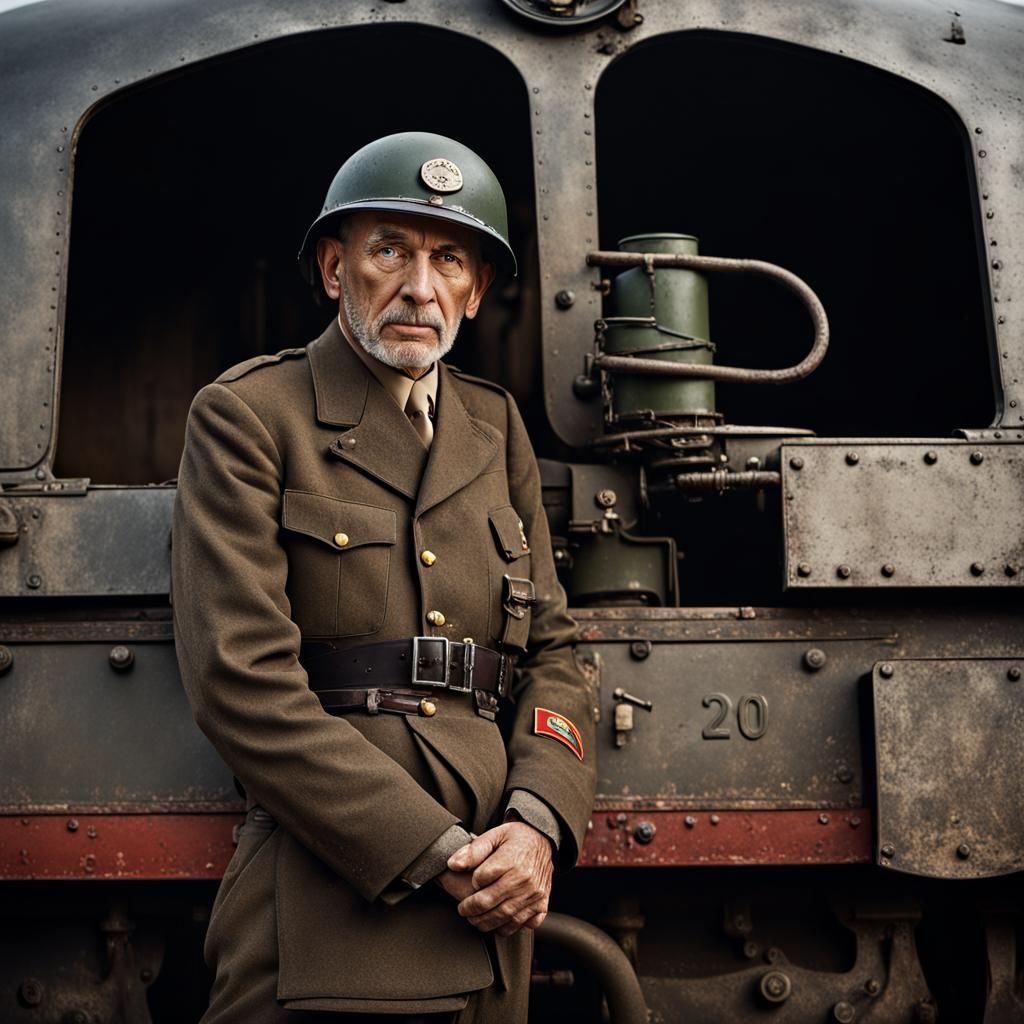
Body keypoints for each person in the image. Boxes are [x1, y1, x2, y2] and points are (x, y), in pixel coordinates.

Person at [171, 132, 596, 1023]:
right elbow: (239, 681)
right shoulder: (251, 416)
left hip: (496, 896)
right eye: (389, 251)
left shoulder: (495, 425)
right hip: (337, 893)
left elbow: (553, 648)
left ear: (475, 292)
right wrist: (434, 850)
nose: (419, 287)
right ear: (334, 269)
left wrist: (538, 824)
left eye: (449, 260)